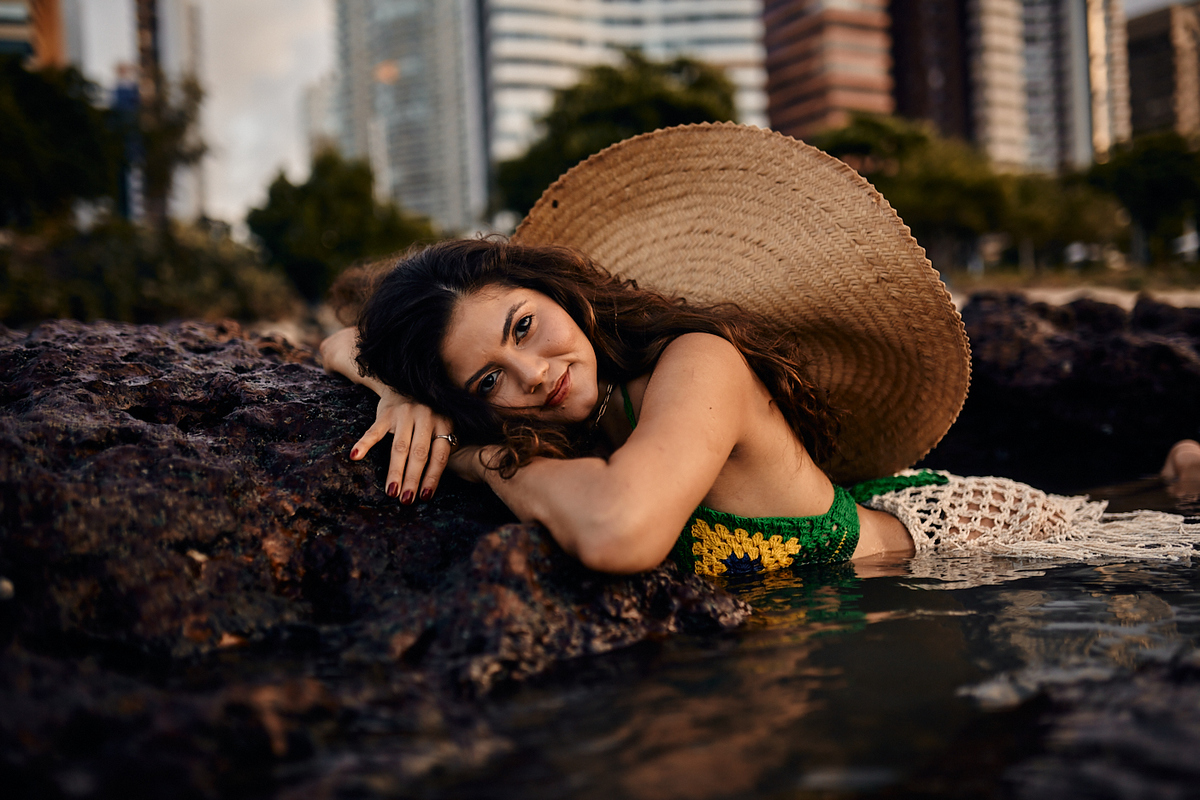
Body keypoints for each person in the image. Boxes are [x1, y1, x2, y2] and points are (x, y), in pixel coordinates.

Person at [321, 124, 1200, 577]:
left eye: (524, 327)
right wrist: (398, 392)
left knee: (1154, 535)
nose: (534, 373)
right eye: (488, 380)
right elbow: (335, 340)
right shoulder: (576, 410)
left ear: (557, 294)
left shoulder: (697, 361)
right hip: (879, 557)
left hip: (977, 539)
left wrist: (478, 454)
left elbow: (621, 531)